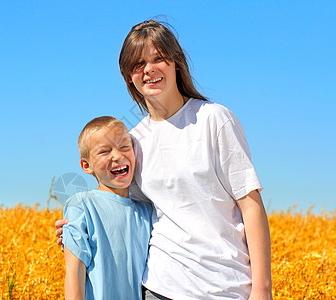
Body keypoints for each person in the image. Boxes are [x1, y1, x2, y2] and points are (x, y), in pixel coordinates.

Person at [57, 20, 272, 300]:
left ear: (176, 64)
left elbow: (250, 204)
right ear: (128, 77)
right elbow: (122, 206)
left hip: (226, 287)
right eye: (138, 64)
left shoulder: (214, 119)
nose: (149, 69)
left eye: (158, 58)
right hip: (160, 287)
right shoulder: (132, 141)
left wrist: (262, 289)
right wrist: (79, 227)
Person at [62, 116, 153, 300]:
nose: (118, 156)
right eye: (104, 151)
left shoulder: (147, 211)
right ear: (87, 166)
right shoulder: (81, 205)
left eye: (125, 147)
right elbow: (74, 271)